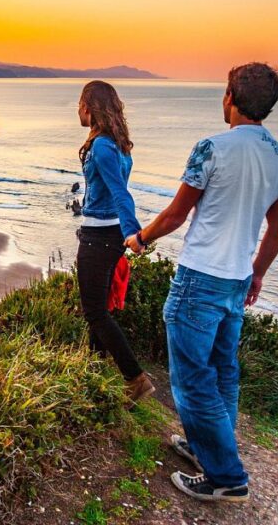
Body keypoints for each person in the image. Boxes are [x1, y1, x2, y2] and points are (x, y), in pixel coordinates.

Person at [126, 63, 278, 503]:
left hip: (200, 279)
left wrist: (141, 238)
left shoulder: (212, 148)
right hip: (236, 280)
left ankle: (226, 477)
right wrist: (257, 272)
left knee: (193, 379)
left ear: (230, 97)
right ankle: (208, 450)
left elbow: (177, 214)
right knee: (223, 373)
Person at [75, 81, 153, 403]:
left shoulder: (104, 146)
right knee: (100, 307)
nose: (78, 109)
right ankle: (93, 369)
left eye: (81, 102)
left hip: (99, 236)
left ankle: (135, 378)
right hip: (108, 235)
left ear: (91, 107)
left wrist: (133, 232)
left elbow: (121, 193)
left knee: (94, 312)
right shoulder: (118, 145)